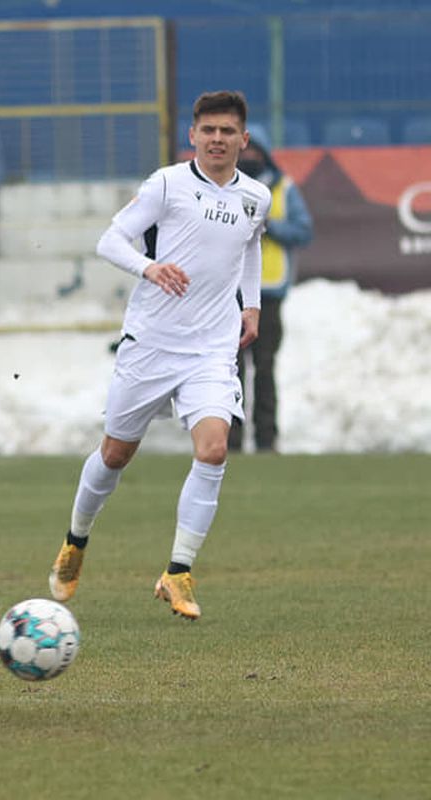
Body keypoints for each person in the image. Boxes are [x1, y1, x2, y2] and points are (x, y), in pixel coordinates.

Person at [47, 90, 271, 621]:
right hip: (150, 344)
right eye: (208, 130)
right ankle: (76, 540)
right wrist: (149, 268)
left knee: (214, 449)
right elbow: (111, 240)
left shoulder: (257, 196)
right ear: (192, 136)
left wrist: (252, 305)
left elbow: (251, 245)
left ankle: (178, 572)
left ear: (244, 139)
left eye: (227, 131)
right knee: (115, 455)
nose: (217, 139)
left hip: (212, 348)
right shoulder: (167, 183)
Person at [227, 124, 313, 453]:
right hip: (229, 296)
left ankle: (266, 440)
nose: (249, 158)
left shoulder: (283, 189)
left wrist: (270, 226)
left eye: (255, 153)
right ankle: (230, 441)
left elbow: (303, 231)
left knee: (264, 370)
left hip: (268, 296)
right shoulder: (224, 189)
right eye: (244, 153)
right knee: (229, 374)